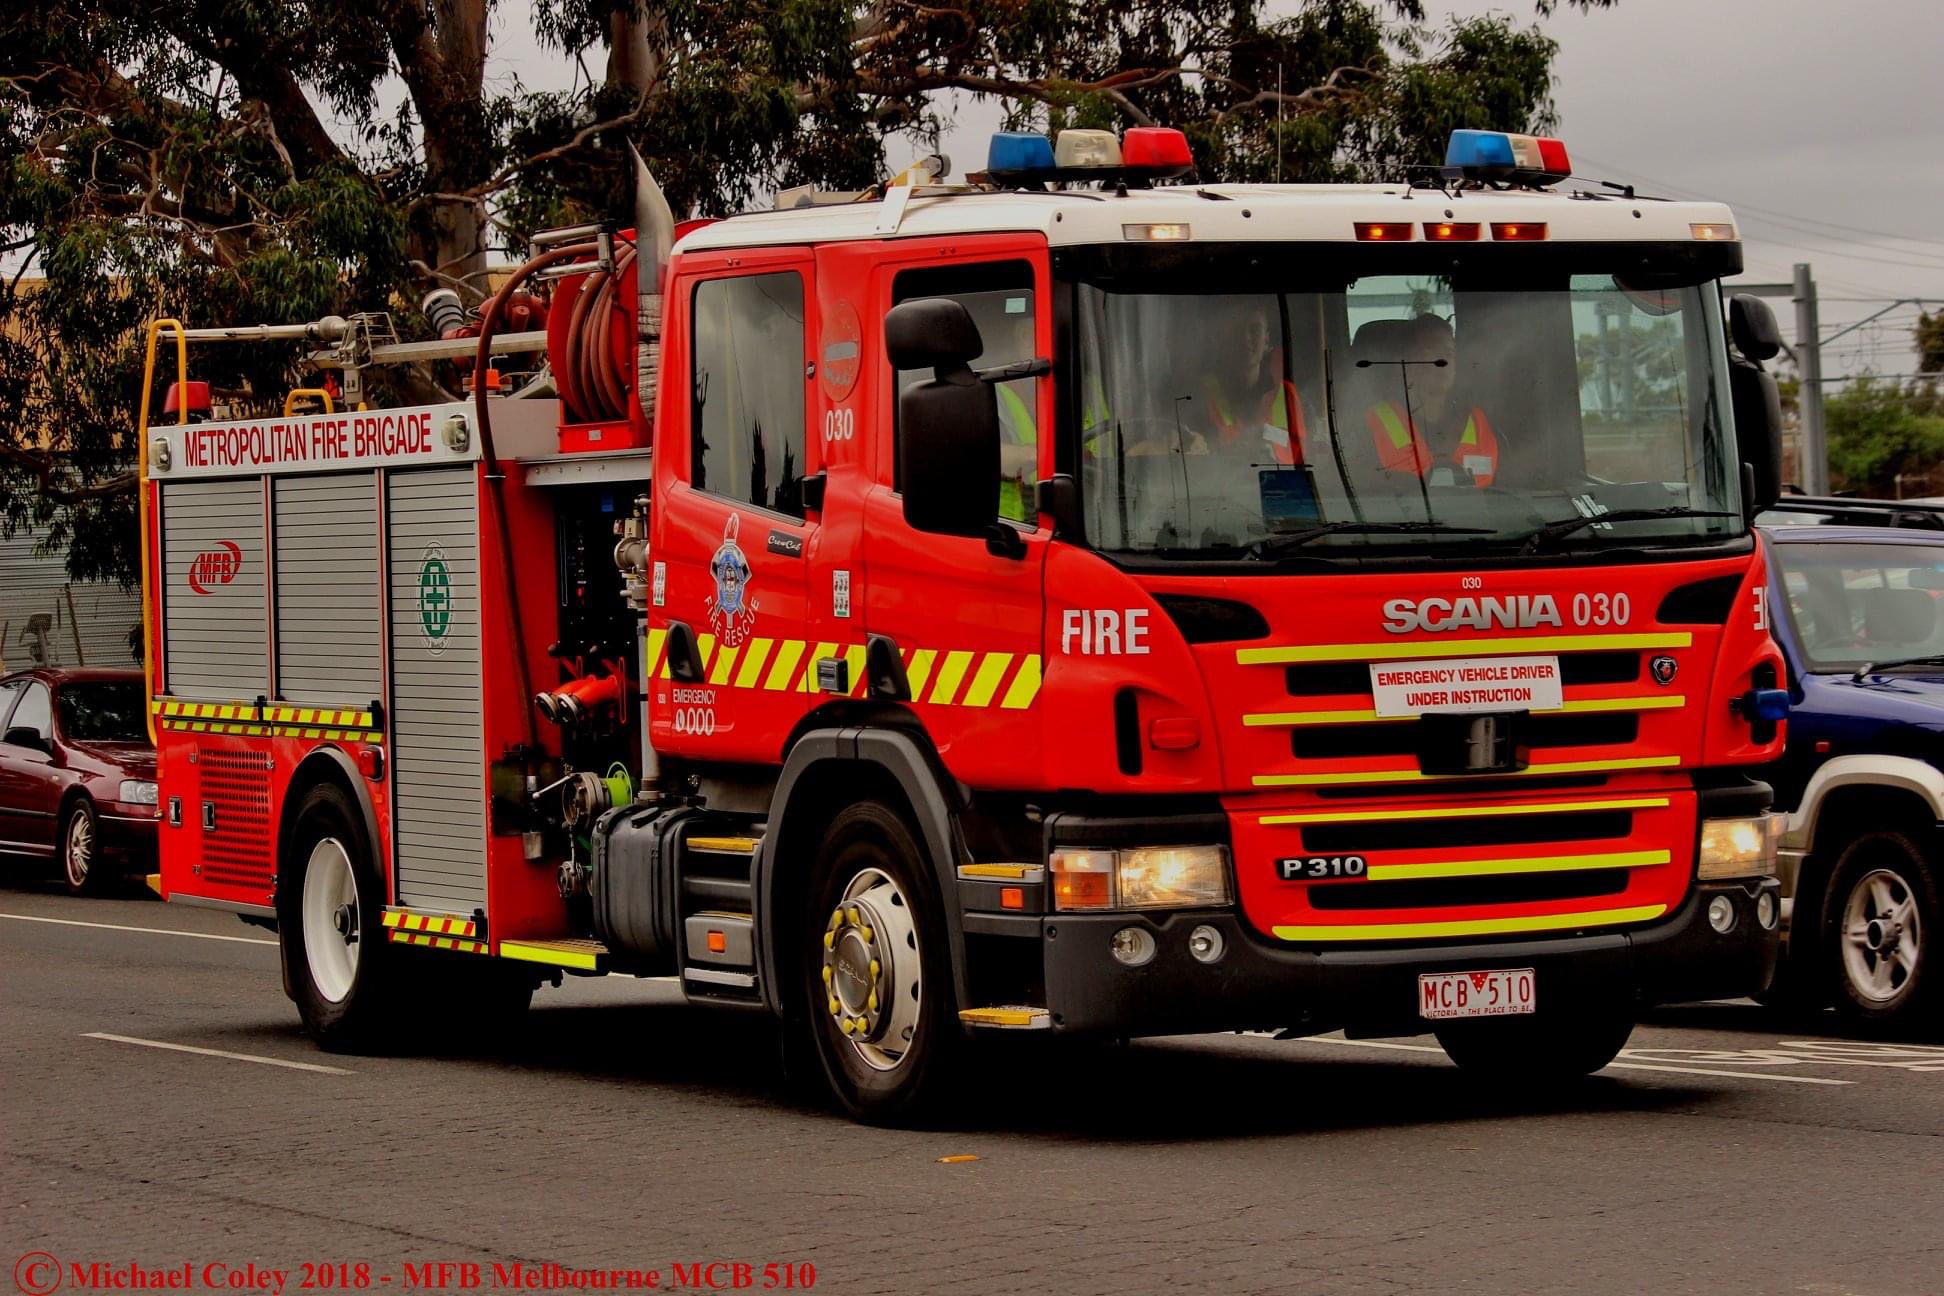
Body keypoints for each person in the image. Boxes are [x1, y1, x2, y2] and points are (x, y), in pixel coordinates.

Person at [1356, 313, 1499, 487]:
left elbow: (1502, 493)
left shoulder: (1478, 421)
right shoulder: (1369, 425)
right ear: (1406, 363)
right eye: (1429, 353)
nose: (1442, 361)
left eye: (1448, 353)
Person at [1196, 298, 1307, 465]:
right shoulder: (1198, 396)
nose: (1246, 338)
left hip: (1280, 484)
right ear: (1221, 341)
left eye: (1254, 330)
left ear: (1266, 342)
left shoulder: (1289, 396)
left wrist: (1264, 432)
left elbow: (1303, 450)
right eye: (1236, 331)